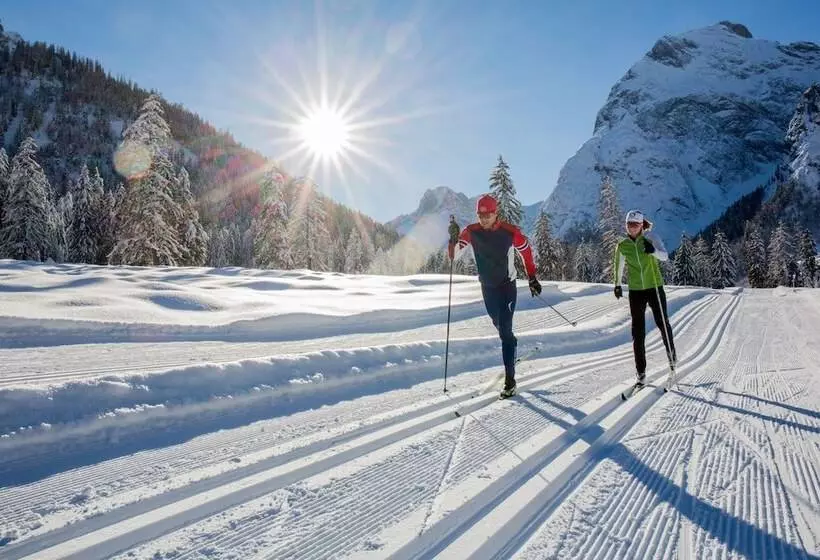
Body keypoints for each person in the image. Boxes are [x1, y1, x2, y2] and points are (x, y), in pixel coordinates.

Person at [448, 194, 541, 399]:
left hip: (507, 286)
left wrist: (532, 277)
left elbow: (526, 252)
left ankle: (510, 380)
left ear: (495, 213)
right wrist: (453, 240)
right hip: (487, 288)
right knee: (500, 326)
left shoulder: (510, 232)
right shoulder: (471, 232)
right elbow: (454, 254)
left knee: (505, 332)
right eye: (480, 215)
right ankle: (511, 345)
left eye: (487, 214)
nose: (483, 218)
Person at [613, 209, 677, 386]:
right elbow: (618, 265)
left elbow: (664, 257)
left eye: (635, 225)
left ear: (642, 225)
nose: (631, 228)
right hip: (636, 291)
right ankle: (640, 372)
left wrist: (653, 250)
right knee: (638, 332)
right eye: (629, 225)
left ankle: (672, 361)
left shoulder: (651, 238)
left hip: (654, 287)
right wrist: (617, 284)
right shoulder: (622, 245)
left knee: (662, 324)